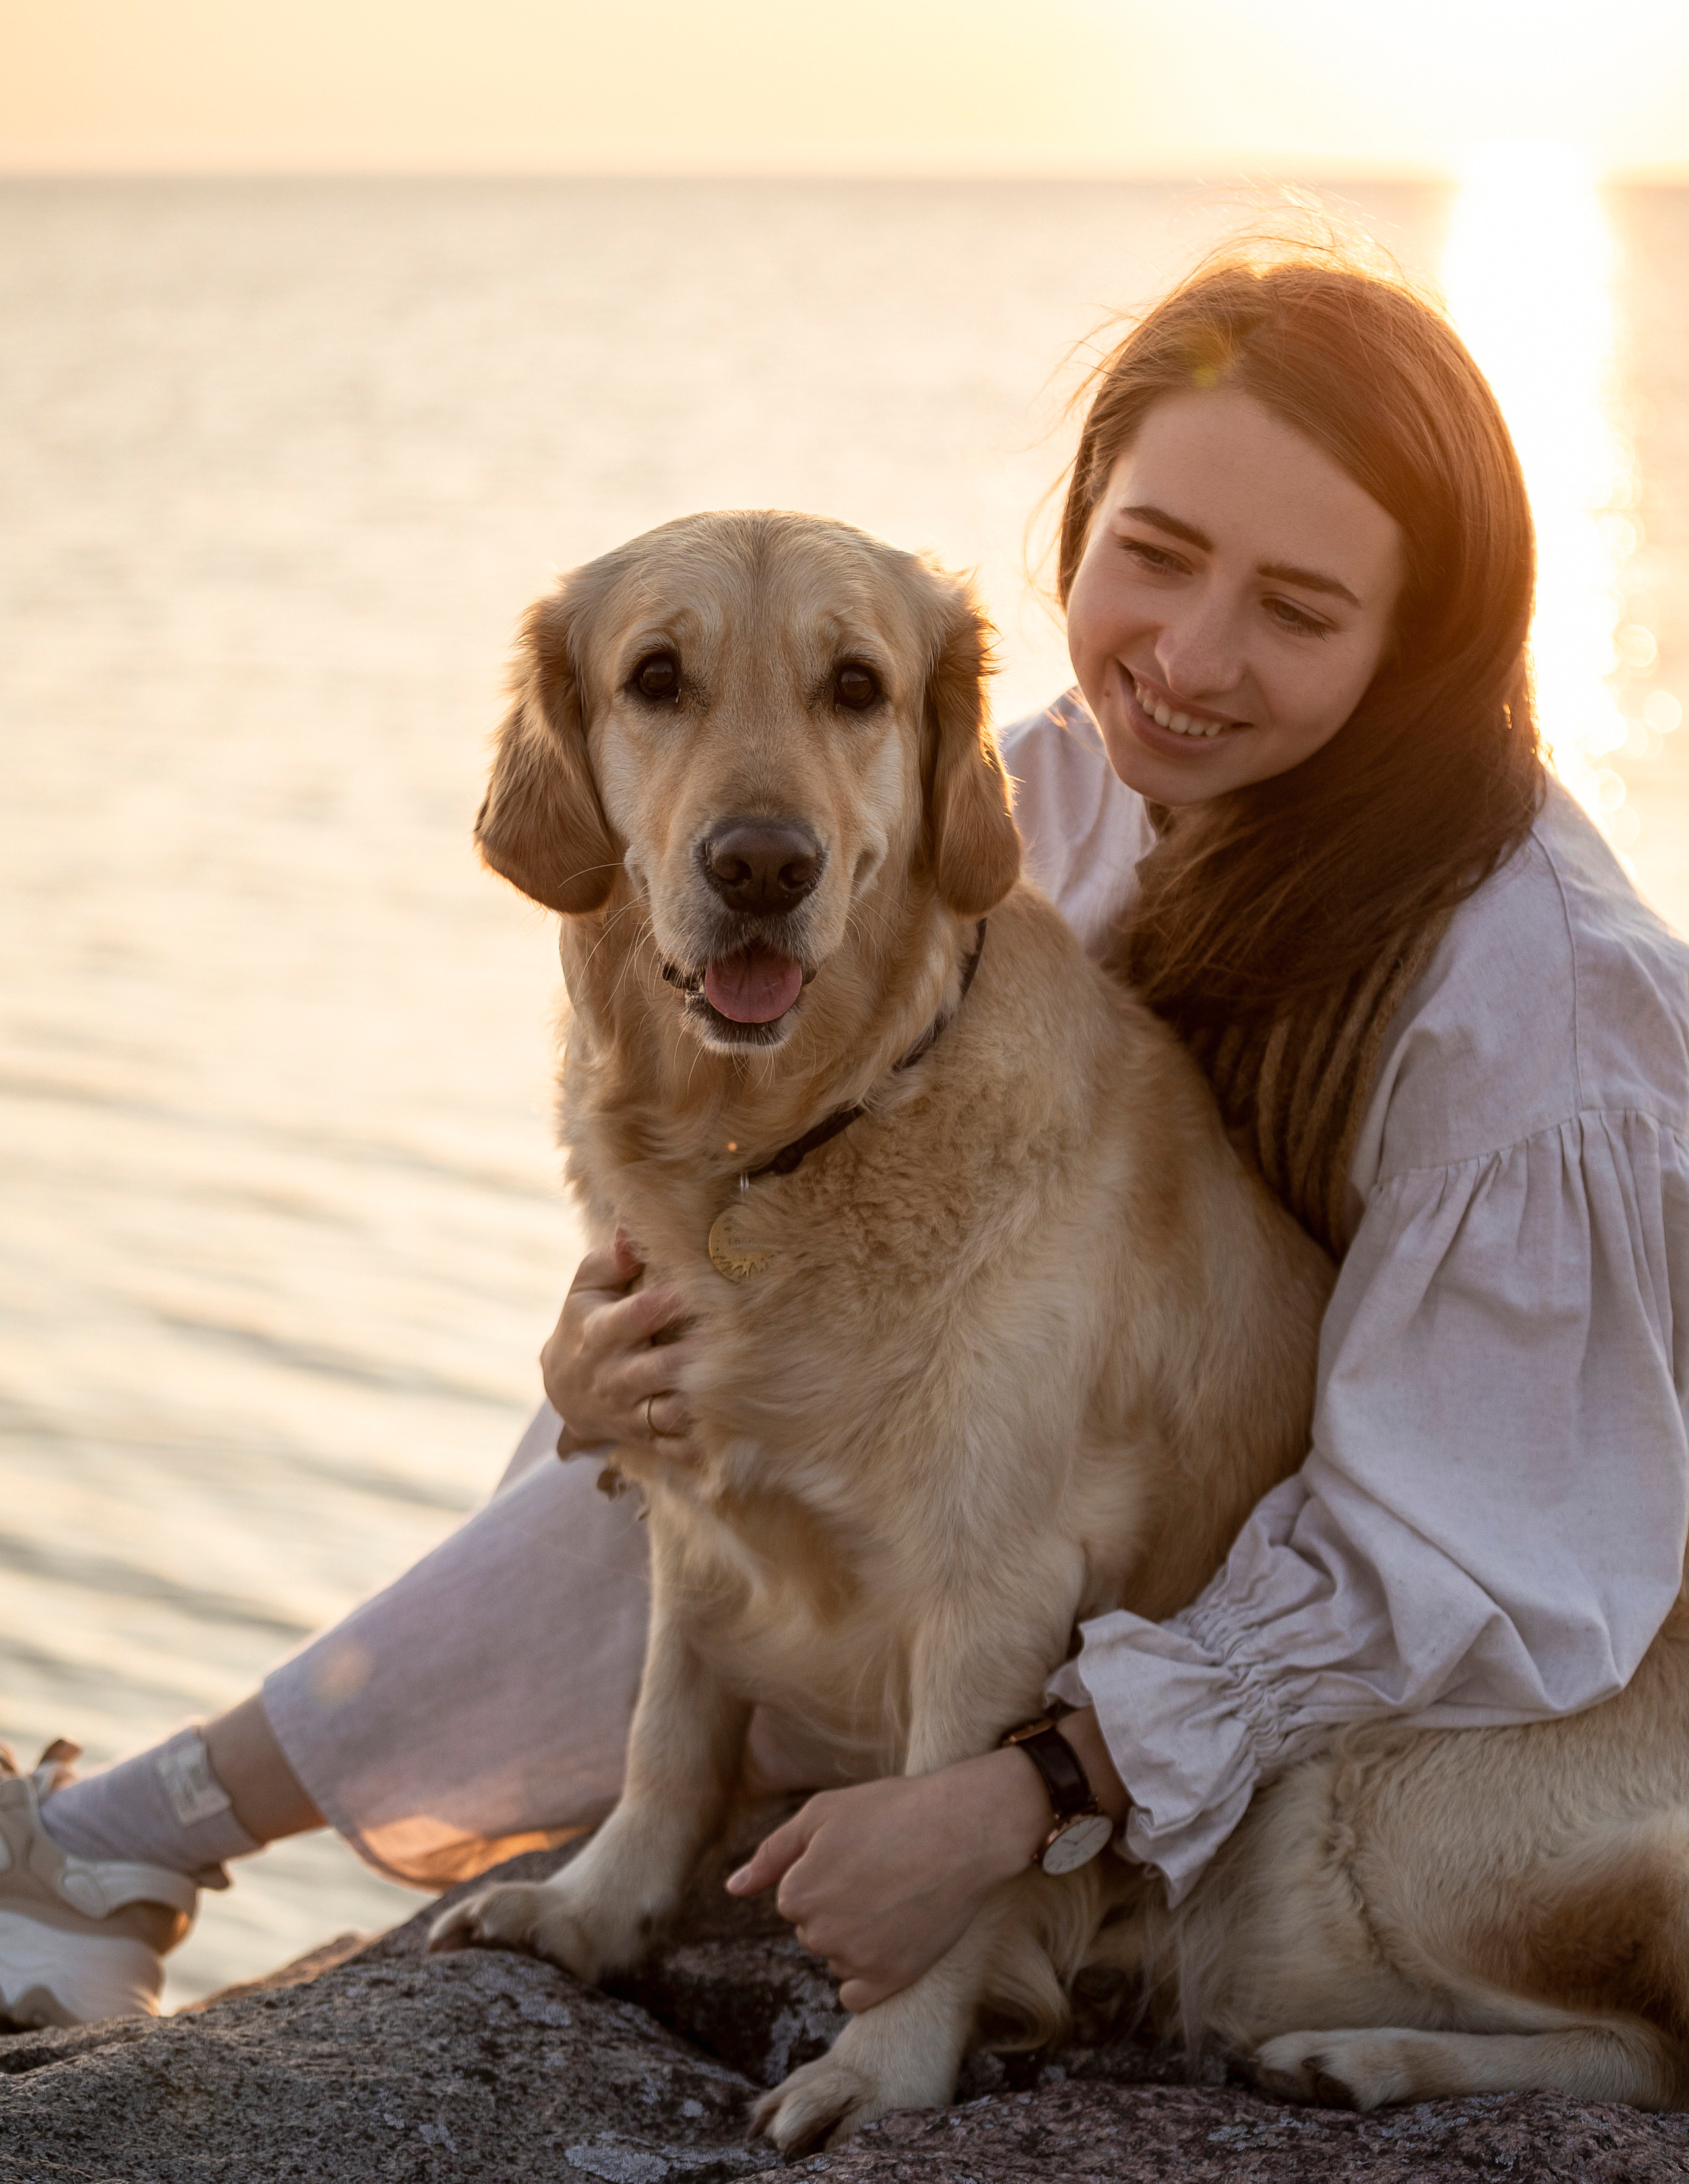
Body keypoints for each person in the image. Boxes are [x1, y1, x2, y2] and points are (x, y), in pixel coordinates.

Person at [7, 247, 1686, 2038]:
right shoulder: (1040, 777)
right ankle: (148, 1839)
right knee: (687, 1395)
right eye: (1158, 554)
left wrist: (1030, 1786)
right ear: (1081, 523)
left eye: (1299, 608)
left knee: (803, 1440)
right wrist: (583, 1354)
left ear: (1419, 636)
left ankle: (125, 1836)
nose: (1191, 659)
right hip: (1086, 1523)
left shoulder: (1545, 1018)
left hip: (1431, 1672)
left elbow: (1460, 1562)